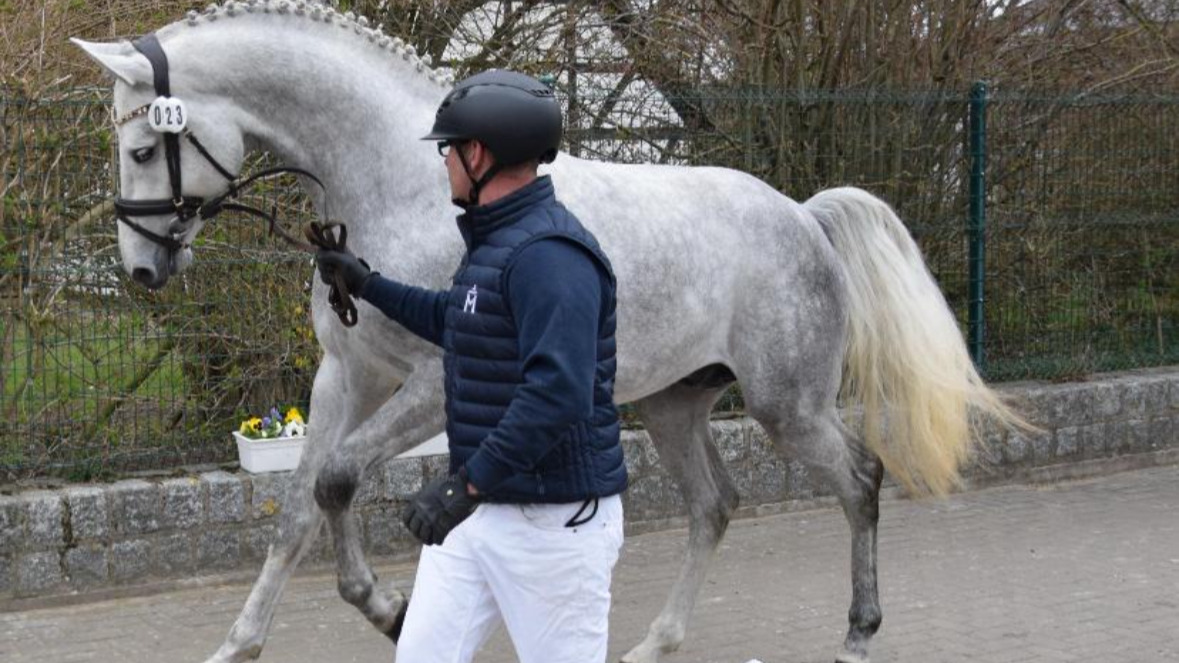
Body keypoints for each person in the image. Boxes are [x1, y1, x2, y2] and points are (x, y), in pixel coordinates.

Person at [315, 69, 628, 663]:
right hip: (477, 514)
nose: (444, 164)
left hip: (552, 524)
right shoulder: (497, 245)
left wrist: (465, 483)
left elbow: (558, 394)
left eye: (448, 149)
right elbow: (461, 320)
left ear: (478, 154)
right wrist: (366, 282)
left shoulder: (551, 257)